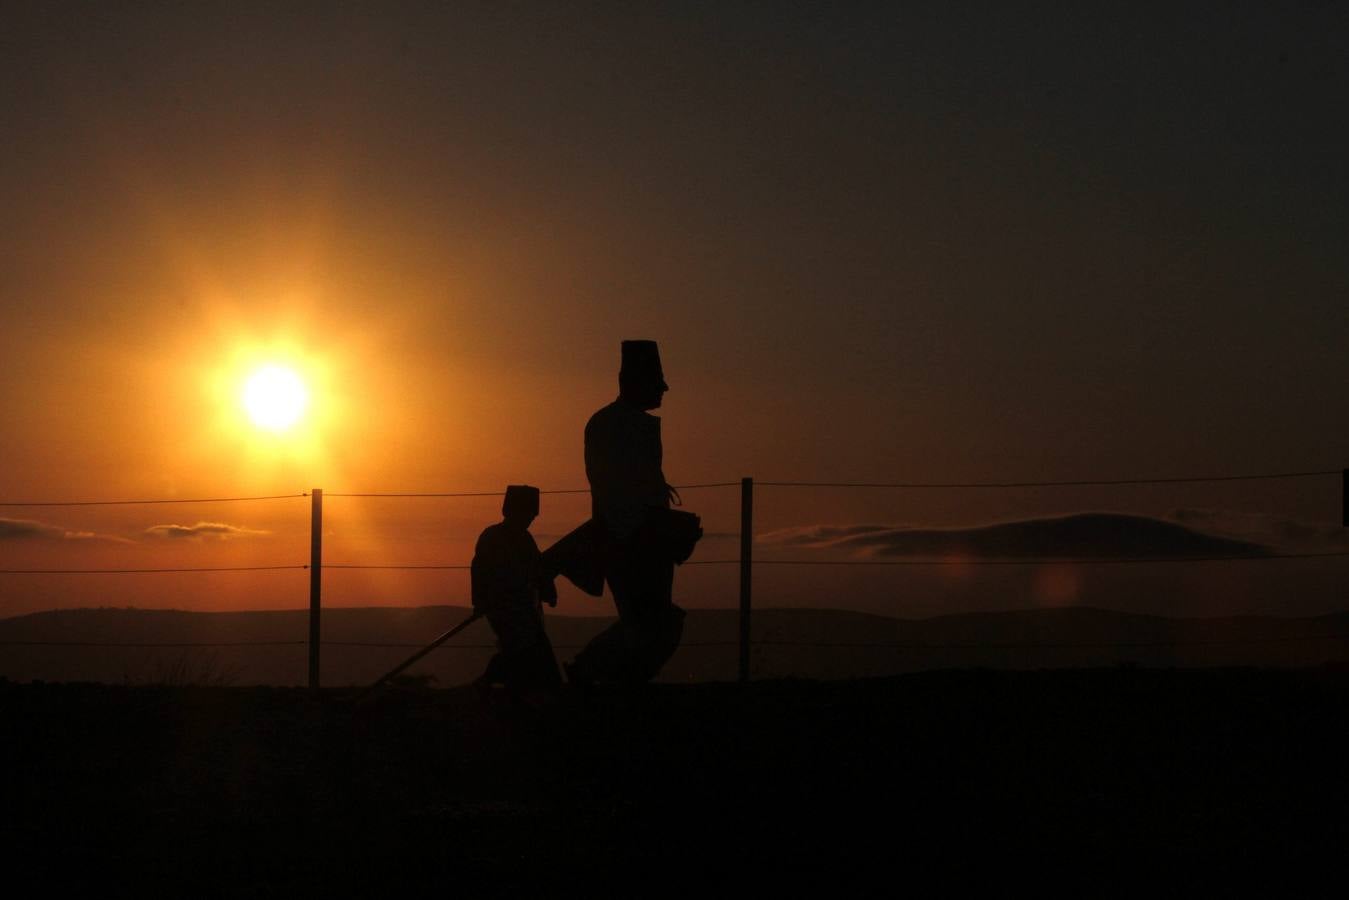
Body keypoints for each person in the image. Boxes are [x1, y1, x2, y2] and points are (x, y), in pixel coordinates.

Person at [564, 340, 686, 685]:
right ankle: (591, 674)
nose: (663, 387)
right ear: (634, 381)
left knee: (650, 622)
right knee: (651, 623)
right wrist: (648, 527)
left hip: (646, 540)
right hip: (630, 541)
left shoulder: (620, 424)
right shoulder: (610, 425)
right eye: (656, 379)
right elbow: (616, 492)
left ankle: (600, 678)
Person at [470, 485, 562, 698]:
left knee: (526, 649)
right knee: (520, 648)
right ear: (512, 511)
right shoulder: (492, 537)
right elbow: (479, 570)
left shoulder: (525, 540)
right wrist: (479, 601)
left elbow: (537, 568)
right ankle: (492, 682)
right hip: (502, 608)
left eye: (532, 515)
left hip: (525, 609)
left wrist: (549, 591)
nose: (530, 520)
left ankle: (510, 687)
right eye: (528, 514)